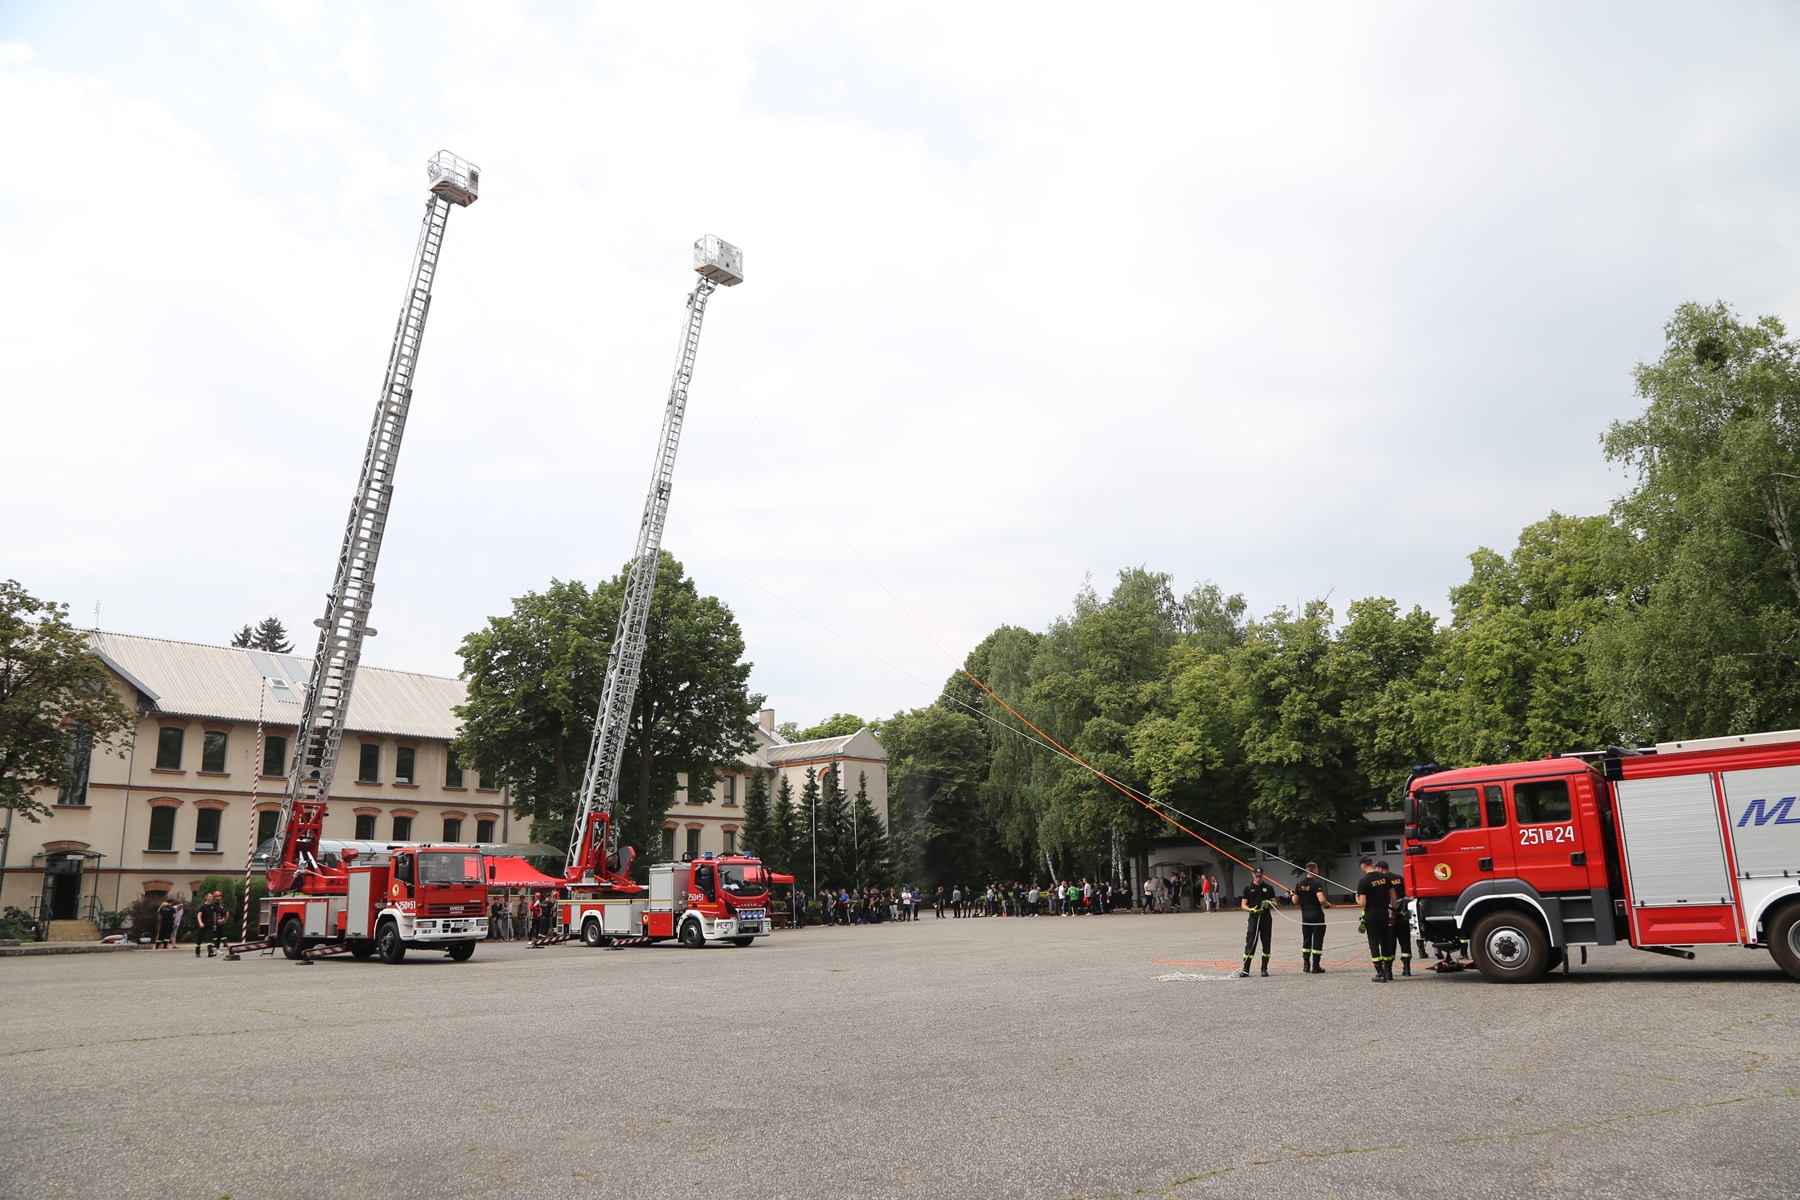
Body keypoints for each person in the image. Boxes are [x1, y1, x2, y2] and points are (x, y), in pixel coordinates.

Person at [1236, 867, 1289, 977]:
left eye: (1260, 876)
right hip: (1254, 918)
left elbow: (1275, 903)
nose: (1259, 878)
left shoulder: (1268, 887)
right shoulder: (1248, 888)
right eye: (1257, 876)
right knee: (1250, 943)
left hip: (1266, 918)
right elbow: (1243, 905)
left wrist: (1269, 903)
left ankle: (1264, 968)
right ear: (1253, 875)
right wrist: (1251, 909)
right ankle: (1246, 968)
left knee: (1266, 943)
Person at [1357, 857, 1403, 982]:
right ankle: (1388, 971)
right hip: (1384, 913)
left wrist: (1357, 897)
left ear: (1363, 865)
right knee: (1385, 941)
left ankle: (1379, 972)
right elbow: (1394, 896)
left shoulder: (1363, 881)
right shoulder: (1384, 877)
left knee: (1374, 942)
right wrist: (1393, 912)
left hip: (1371, 914)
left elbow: (1362, 902)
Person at [1293, 864, 1331, 973]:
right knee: (1317, 940)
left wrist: (1293, 895)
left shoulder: (1299, 884)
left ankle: (1306, 965)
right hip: (1316, 914)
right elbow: (1321, 899)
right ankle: (1315, 966)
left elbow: (1295, 901)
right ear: (1314, 870)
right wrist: (1327, 904)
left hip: (1305, 915)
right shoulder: (1316, 884)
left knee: (1306, 939)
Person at [196, 891, 227, 957]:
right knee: (199, 938)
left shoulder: (213, 906)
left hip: (210, 924)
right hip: (203, 924)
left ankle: (210, 951)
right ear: (206, 897)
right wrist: (200, 922)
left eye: (212, 896)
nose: (211, 898)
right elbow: (199, 915)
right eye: (210, 896)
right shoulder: (202, 907)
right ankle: (197, 951)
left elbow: (214, 915)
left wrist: (215, 924)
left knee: (209, 938)